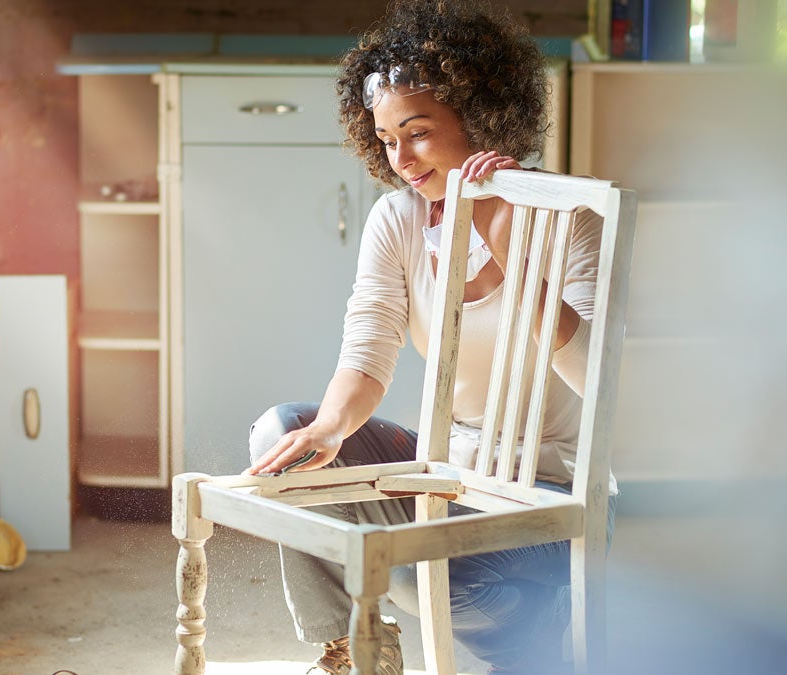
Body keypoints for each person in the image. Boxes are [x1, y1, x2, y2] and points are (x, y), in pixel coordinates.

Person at [245, 1, 618, 672]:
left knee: (437, 554)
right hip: (448, 478)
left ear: (480, 113)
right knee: (284, 436)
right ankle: (357, 649)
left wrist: (510, 249)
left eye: (416, 132)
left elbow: (598, 380)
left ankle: (529, 635)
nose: (401, 159)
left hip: (550, 499)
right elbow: (368, 348)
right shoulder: (398, 220)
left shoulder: (573, 218)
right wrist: (330, 430)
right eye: (386, 138)